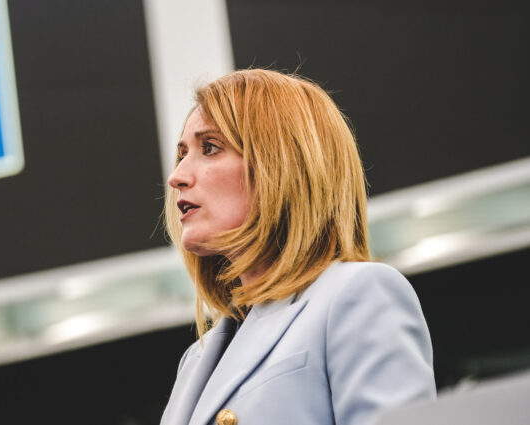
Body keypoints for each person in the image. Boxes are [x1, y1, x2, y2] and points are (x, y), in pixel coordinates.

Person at [159, 69, 435, 425]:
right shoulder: (195, 362)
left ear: (281, 163)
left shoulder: (357, 294)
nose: (177, 176)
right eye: (182, 154)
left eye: (209, 147)